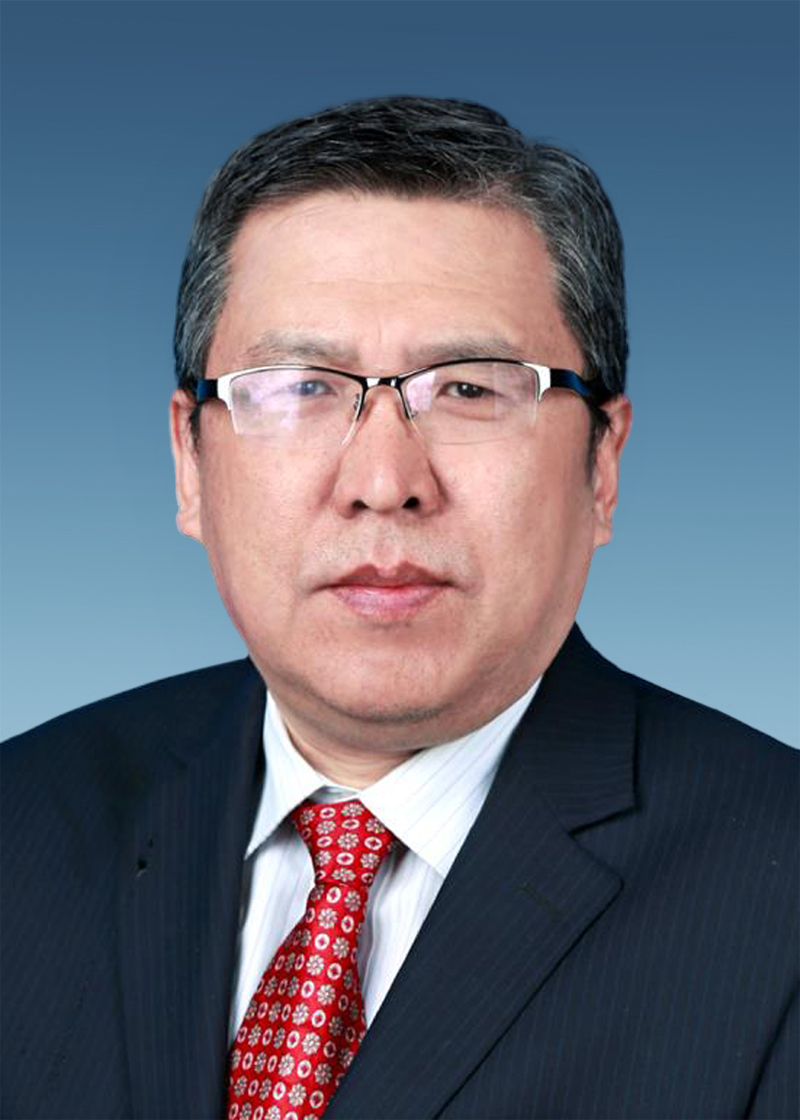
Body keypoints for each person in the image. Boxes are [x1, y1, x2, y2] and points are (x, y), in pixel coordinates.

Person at [1, 96, 796, 1120]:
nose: (384, 482)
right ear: (188, 464)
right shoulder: (25, 823)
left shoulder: (773, 901)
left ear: (602, 464)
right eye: (300, 387)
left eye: (468, 389)